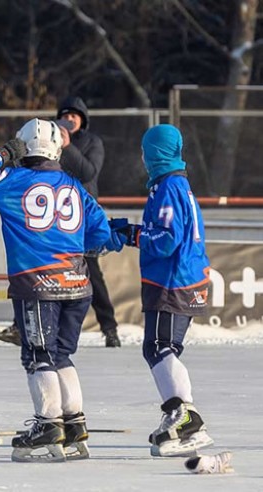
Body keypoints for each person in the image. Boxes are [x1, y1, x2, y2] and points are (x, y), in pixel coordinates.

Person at [0, 118, 110, 462]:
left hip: (38, 285)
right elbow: (99, 232)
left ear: (23, 147)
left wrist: (2, 153)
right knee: (61, 355)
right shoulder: (74, 186)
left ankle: (47, 424)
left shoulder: (14, 182)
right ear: (58, 149)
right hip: (78, 283)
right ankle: (74, 423)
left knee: (38, 356)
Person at [104, 124, 213, 457]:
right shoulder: (177, 185)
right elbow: (165, 231)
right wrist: (131, 229)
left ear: (155, 153)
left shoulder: (168, 187)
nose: (142, 156)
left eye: (145, 150)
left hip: (172, 281)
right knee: (163, 348)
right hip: (184, 278)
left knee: (157, 346)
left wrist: (130, 237)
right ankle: (177, 414)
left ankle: (186, 416)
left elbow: (165, 241)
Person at [0, 96, 120, 348]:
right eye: (65, 115)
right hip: (50, 215)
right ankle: (21, 326)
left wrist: (67, 146)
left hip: (77, 217)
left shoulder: (91, 142)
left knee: (91, 273)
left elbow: (88, 172)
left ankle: (109, 327)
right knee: (35, 269)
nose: (69, 119)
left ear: (83, 120)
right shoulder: (47, 141)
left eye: (75, 115)